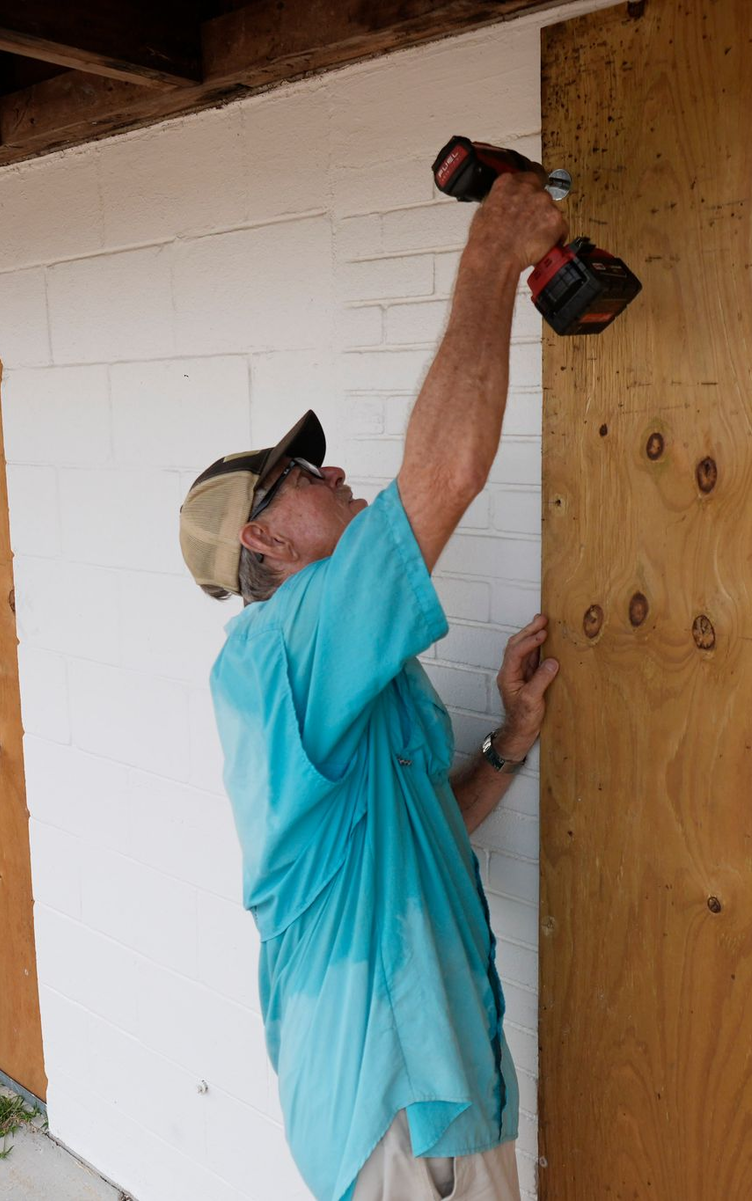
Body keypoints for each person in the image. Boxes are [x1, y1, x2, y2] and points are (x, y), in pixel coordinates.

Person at [178, 169, 566, 1201]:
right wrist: (491, 258)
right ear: (261, 537)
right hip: (391, 1105)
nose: (335, 473)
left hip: (447, 1091)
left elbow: (419, 825)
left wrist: (510, 740)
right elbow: (441, 480)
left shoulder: (360, 672)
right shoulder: (278, 649)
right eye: (305, 477)